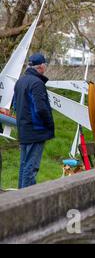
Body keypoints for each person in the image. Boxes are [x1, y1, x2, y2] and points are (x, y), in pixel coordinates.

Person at [13, 53, 54, 189]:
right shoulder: (37, 83)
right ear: (41, 66)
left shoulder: (20, 81)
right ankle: (27, 201)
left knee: (24, 165)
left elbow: (14, 105)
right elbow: (41, 109)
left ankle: (18, 199)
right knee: (31, 167)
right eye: (45, 64)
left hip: (23, 129)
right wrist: (49, 124)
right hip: (35, 131)